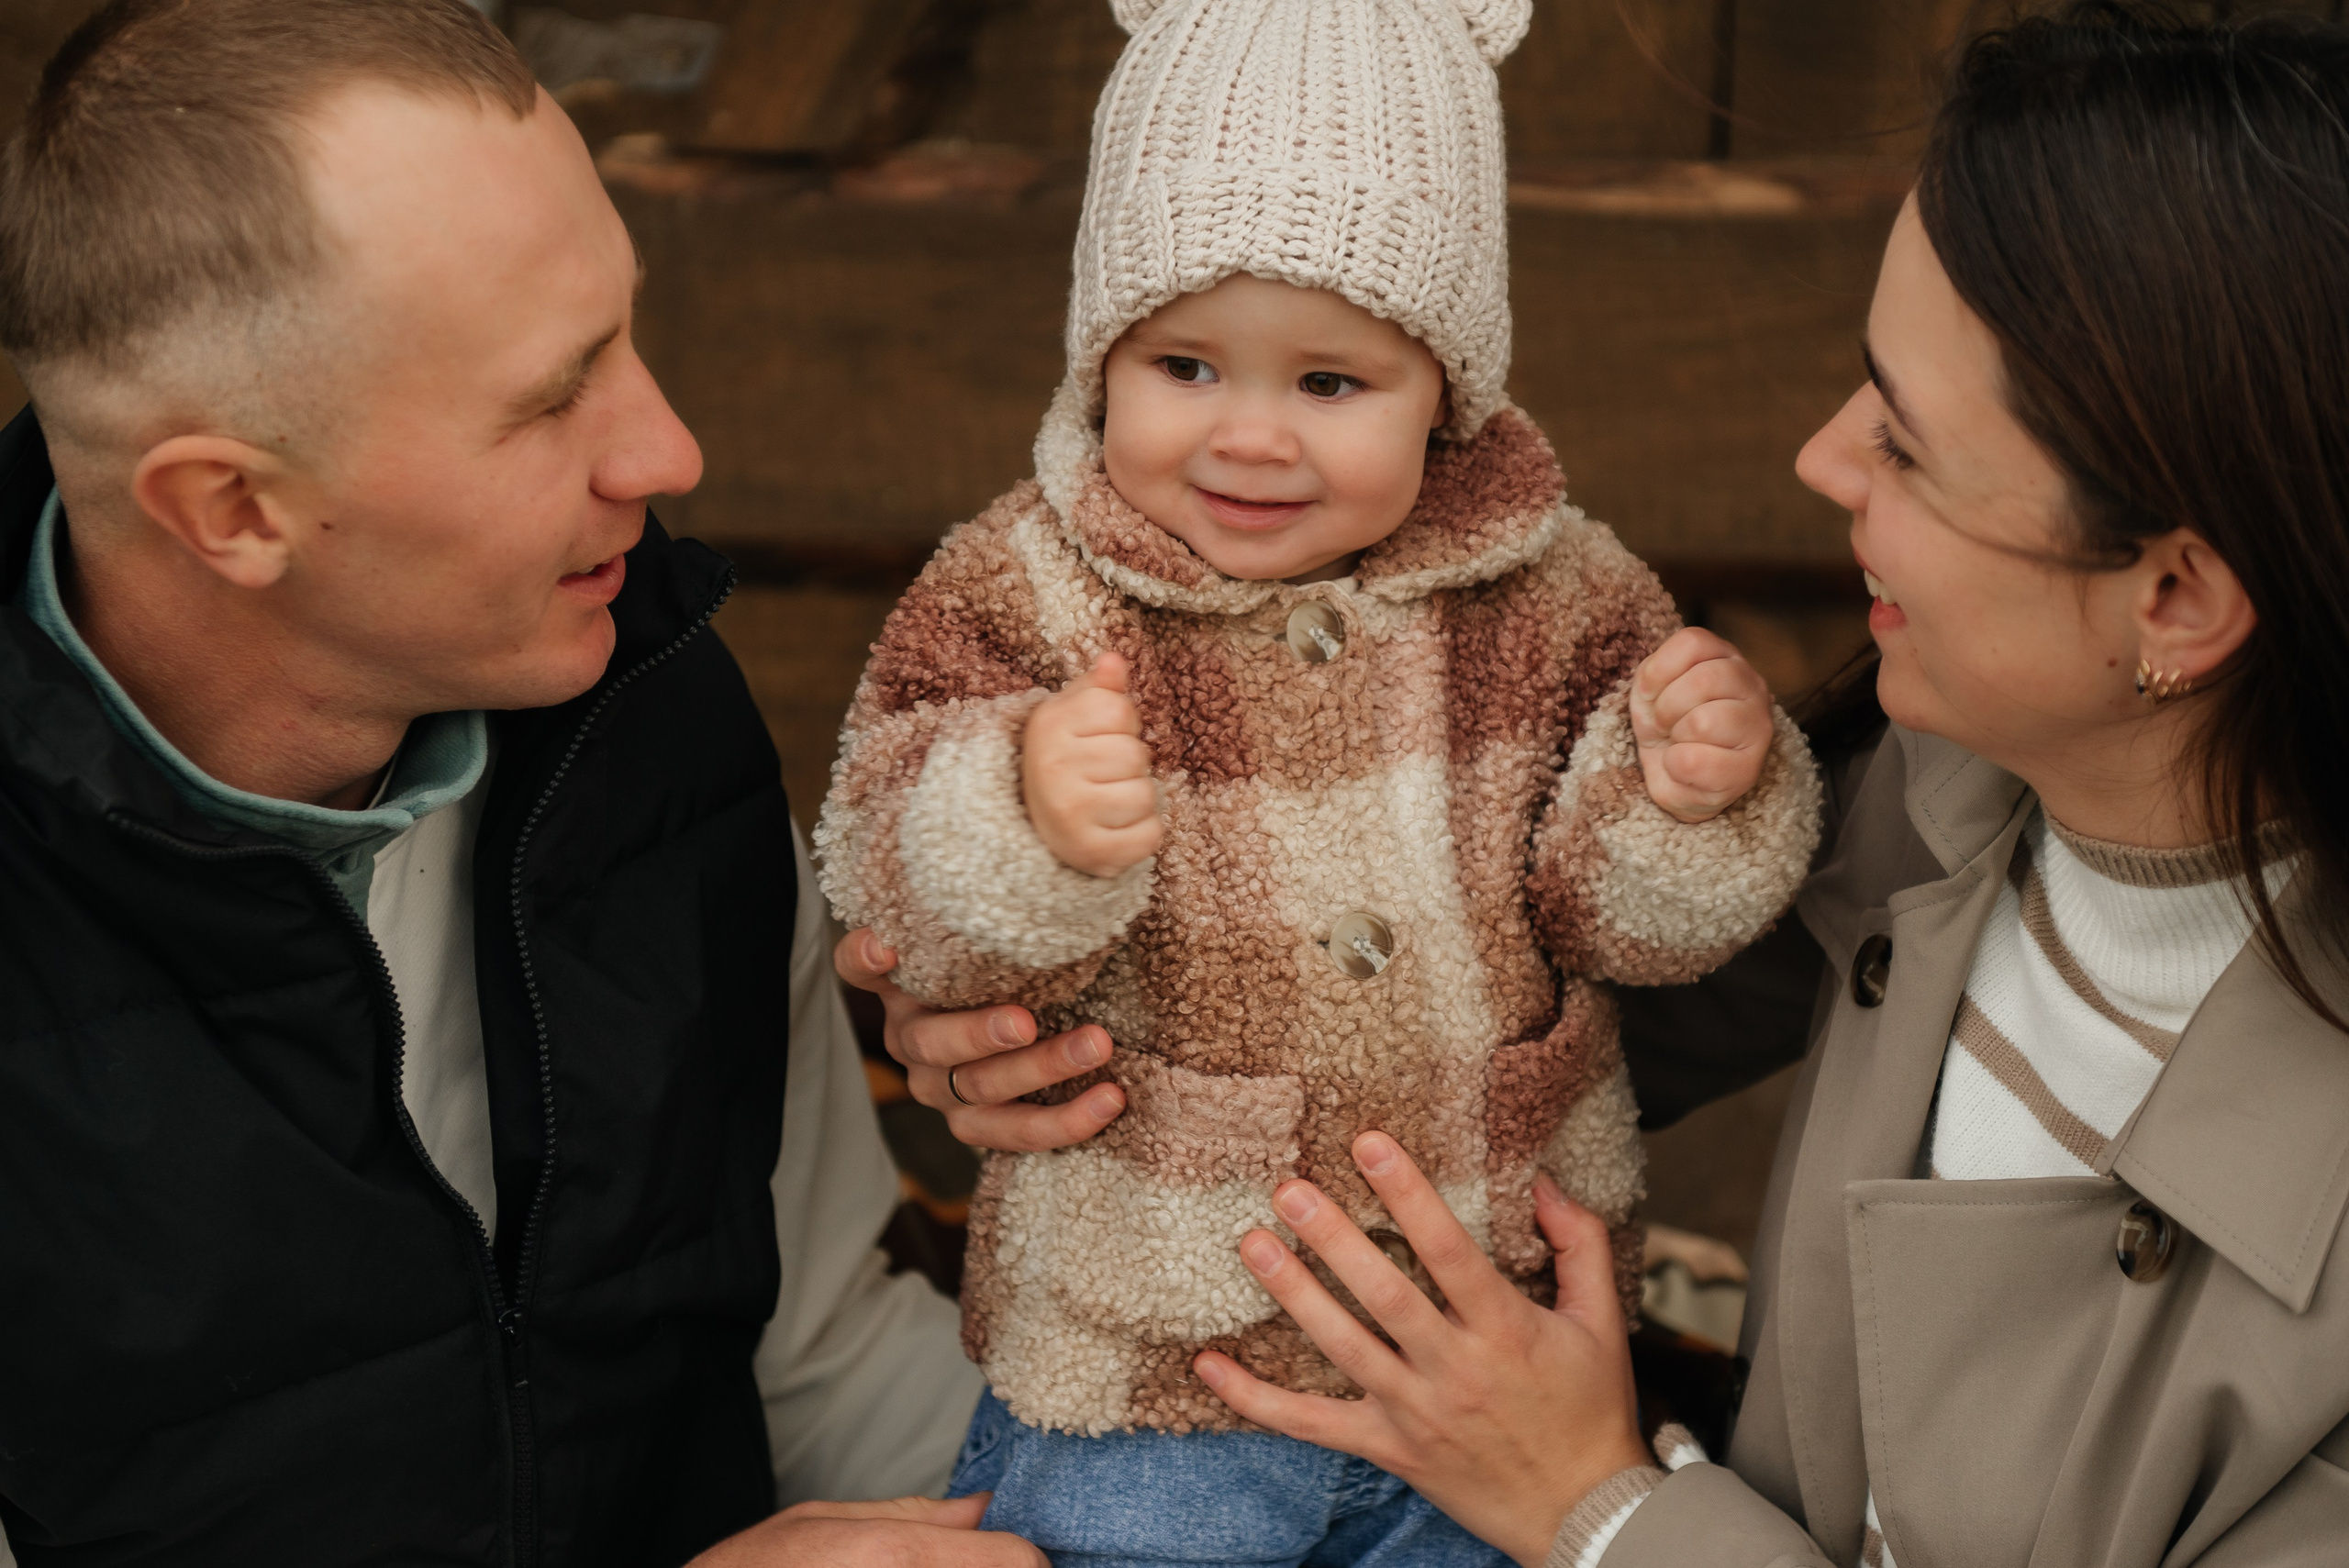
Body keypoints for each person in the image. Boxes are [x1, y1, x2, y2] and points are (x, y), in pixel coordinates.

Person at [936, 6, 2341, 1565]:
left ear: (2174, 600)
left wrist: (1601, 1507)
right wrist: (1036, 1013)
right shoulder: (1931, 799)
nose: (1822, 459)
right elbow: (1500, 988)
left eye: (1907, 445)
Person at [0, 2, 1021, 1563]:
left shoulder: (649, 708)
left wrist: (1303, 1490)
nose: (665, 452)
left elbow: (811, 1354)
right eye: (553, 397)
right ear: (231, 509)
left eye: (626, 334)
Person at [811, 0, 1821, 1560]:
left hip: (1498, 1361)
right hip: (1160, 1370)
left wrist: (1690, 794)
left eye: (1330, 384)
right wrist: (1018, 816)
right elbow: (883, 864)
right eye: (1186, 364)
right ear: (1102, 357)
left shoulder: (1557, 596)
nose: (1251, 437)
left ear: (1447, 390)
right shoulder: (1024, 590)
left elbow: (1627, 926)